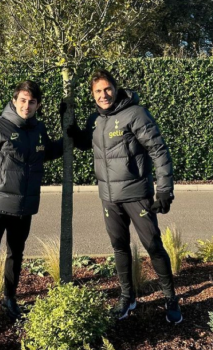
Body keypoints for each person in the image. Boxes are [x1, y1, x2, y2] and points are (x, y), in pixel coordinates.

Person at [67, 68, 181, 324]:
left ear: (115, 88)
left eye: (107, 89)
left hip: (137, 194)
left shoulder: (135, 114)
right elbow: (89, 142)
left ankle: (171, 298)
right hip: (108, 196)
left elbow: (158, 150)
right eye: (98, 91)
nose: (103, 95)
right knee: (119, 247)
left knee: (153, 246)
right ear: (92, 94)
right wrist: (71, 128)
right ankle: (127, 297)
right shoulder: (94, 120)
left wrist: (164, 189)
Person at [0, 80, 63, 334]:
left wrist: (67, 134)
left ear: (38, 104)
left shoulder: (39, 129)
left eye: (32, 102)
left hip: (25, 206)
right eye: (22, 100)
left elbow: (46, 151)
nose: (26, 105)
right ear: (14, 100)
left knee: (16, 254)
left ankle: (10, 298)